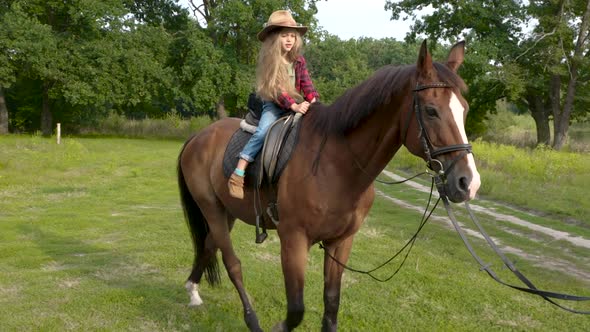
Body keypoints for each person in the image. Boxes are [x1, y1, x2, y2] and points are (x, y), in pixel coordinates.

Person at [228, 10, 320, 199]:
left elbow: (306, 83)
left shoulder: (298, 61)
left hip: (296, 103)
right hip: (274, 105)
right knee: (263, 131)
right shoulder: (272, 60)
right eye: (284, 35)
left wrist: (313, 100)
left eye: (292, 36)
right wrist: (294, 106)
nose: (289, 40)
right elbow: (277, 89)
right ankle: (239, 172)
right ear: (275, 39)